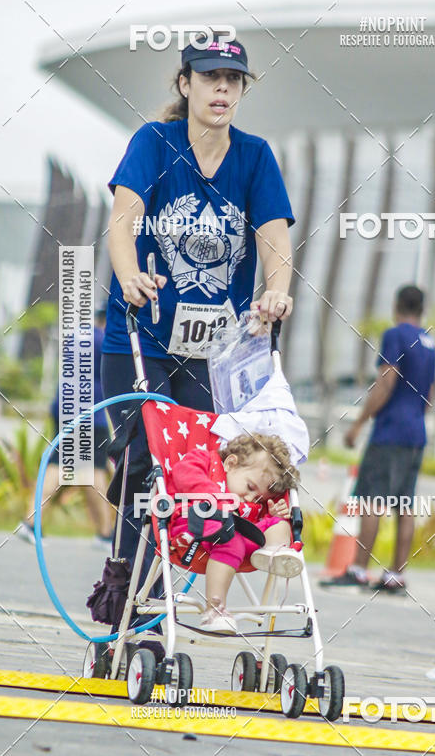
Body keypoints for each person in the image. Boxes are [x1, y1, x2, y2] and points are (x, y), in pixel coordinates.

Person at [100, 34, 295, 631]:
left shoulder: (255, 156)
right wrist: (130, 275)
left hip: (214, 352)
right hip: (142, 342)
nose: (222, 90)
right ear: (185, 85)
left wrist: (276, 289)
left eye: (233, 81)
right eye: (210, 78)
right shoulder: (154, 144)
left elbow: (275, 240)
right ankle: (127, 609)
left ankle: (192, 595)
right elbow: (122, 222)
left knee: (211, 471)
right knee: (147, 466)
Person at [321, 285, 435, 594]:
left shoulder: (395, 335)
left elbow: (385, 383)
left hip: (390, 431)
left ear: (396, 305)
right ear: (422, 308)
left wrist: (358, 424)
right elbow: (431, 393)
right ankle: (396, 575)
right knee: (404, 502)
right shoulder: (429, 342)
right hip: (415, 432)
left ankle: (358, 569)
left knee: (372, 498)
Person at [169, 433, 301, 634]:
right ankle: (214, 608)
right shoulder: (205, 462)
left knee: (278, 522)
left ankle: (276, 552)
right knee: (231, 538)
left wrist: (273, 514)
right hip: (197, 528)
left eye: (259, 498)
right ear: (231, 463)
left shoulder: (250, 502)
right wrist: (219, 498)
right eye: (250, 487)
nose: (251, 497)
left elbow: (257, 519)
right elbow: (184, 473)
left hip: (244, 541)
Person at [17, 308, 114, 549]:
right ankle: (31, 522)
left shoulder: (78, 335)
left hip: (65, 407)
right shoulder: (105, 339)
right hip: (90, 413)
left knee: (84, 470)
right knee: (83, 470)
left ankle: (104, 533)